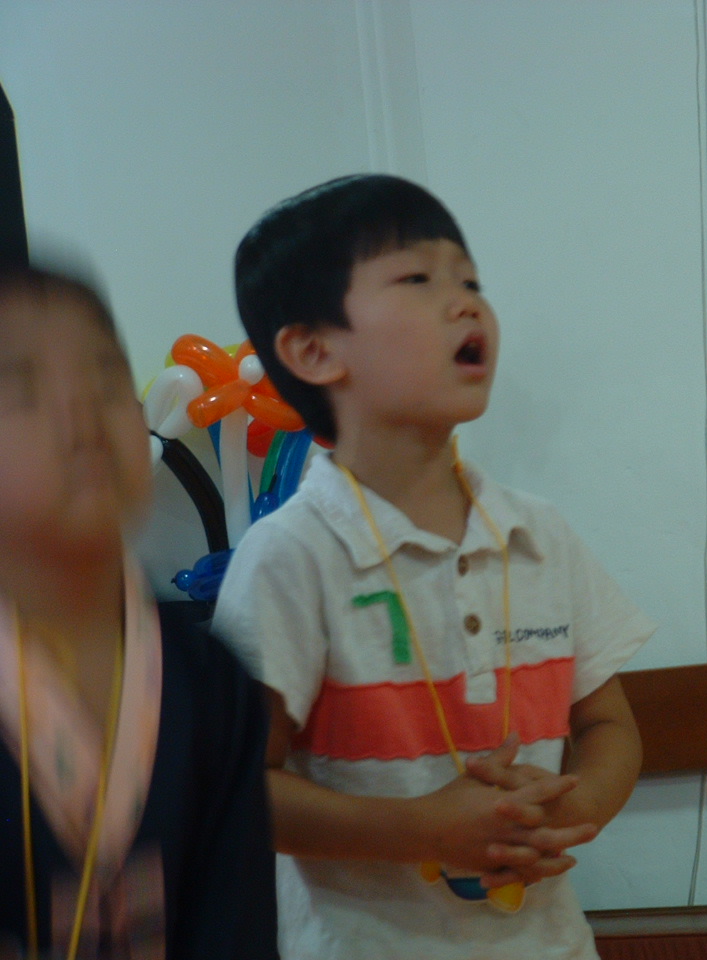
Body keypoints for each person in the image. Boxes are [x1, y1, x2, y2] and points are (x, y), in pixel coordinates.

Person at [212, 174, 655, 960]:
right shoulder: (291, 556)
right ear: (314, 350)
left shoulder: (539, 534)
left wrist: (577, 804)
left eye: (471, 282)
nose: (465, 304)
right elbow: (240, 789)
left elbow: (609, 725)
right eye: (419, 279)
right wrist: (420, 829)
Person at [0, 263, 277, 958]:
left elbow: (236, 931)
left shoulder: (211, 678)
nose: (80, 414)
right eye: (20, 388)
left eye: (106, 379)